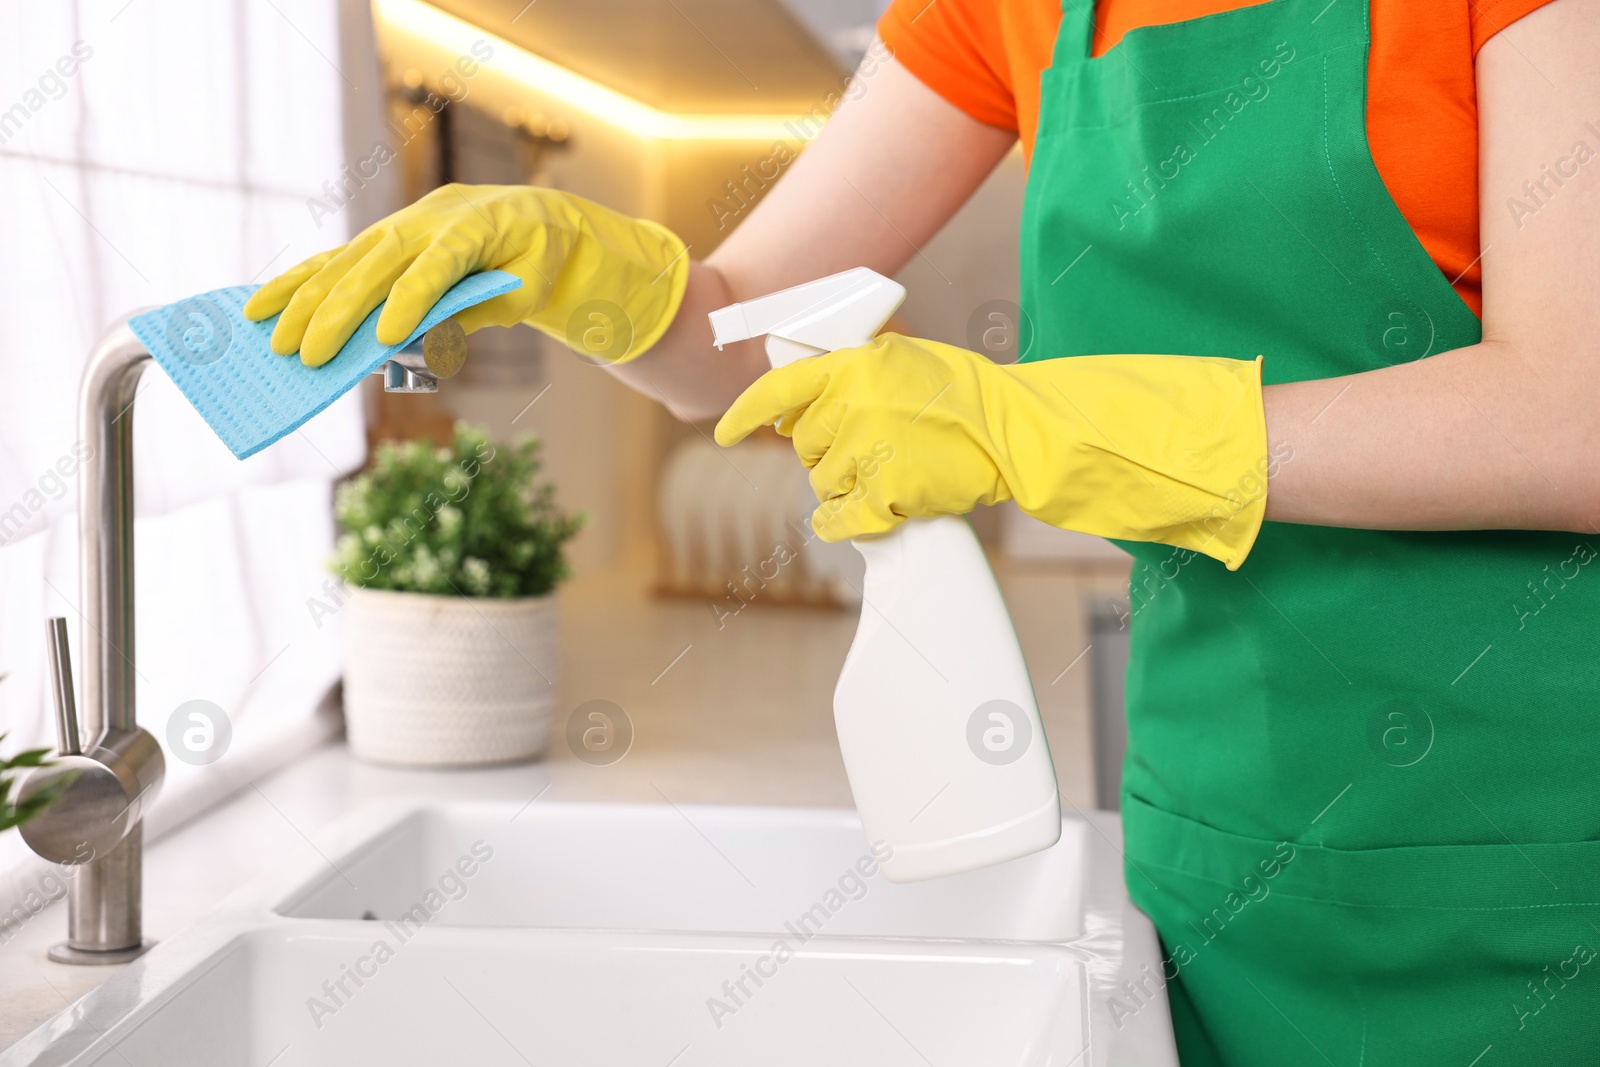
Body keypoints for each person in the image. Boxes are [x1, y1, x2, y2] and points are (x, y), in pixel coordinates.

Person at [246, 0, 1600, 1060]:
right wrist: (585, 270)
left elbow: (1572, 417)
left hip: (1524, 846)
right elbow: (749, 325)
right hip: (1212, 840)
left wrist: (1038, 431)